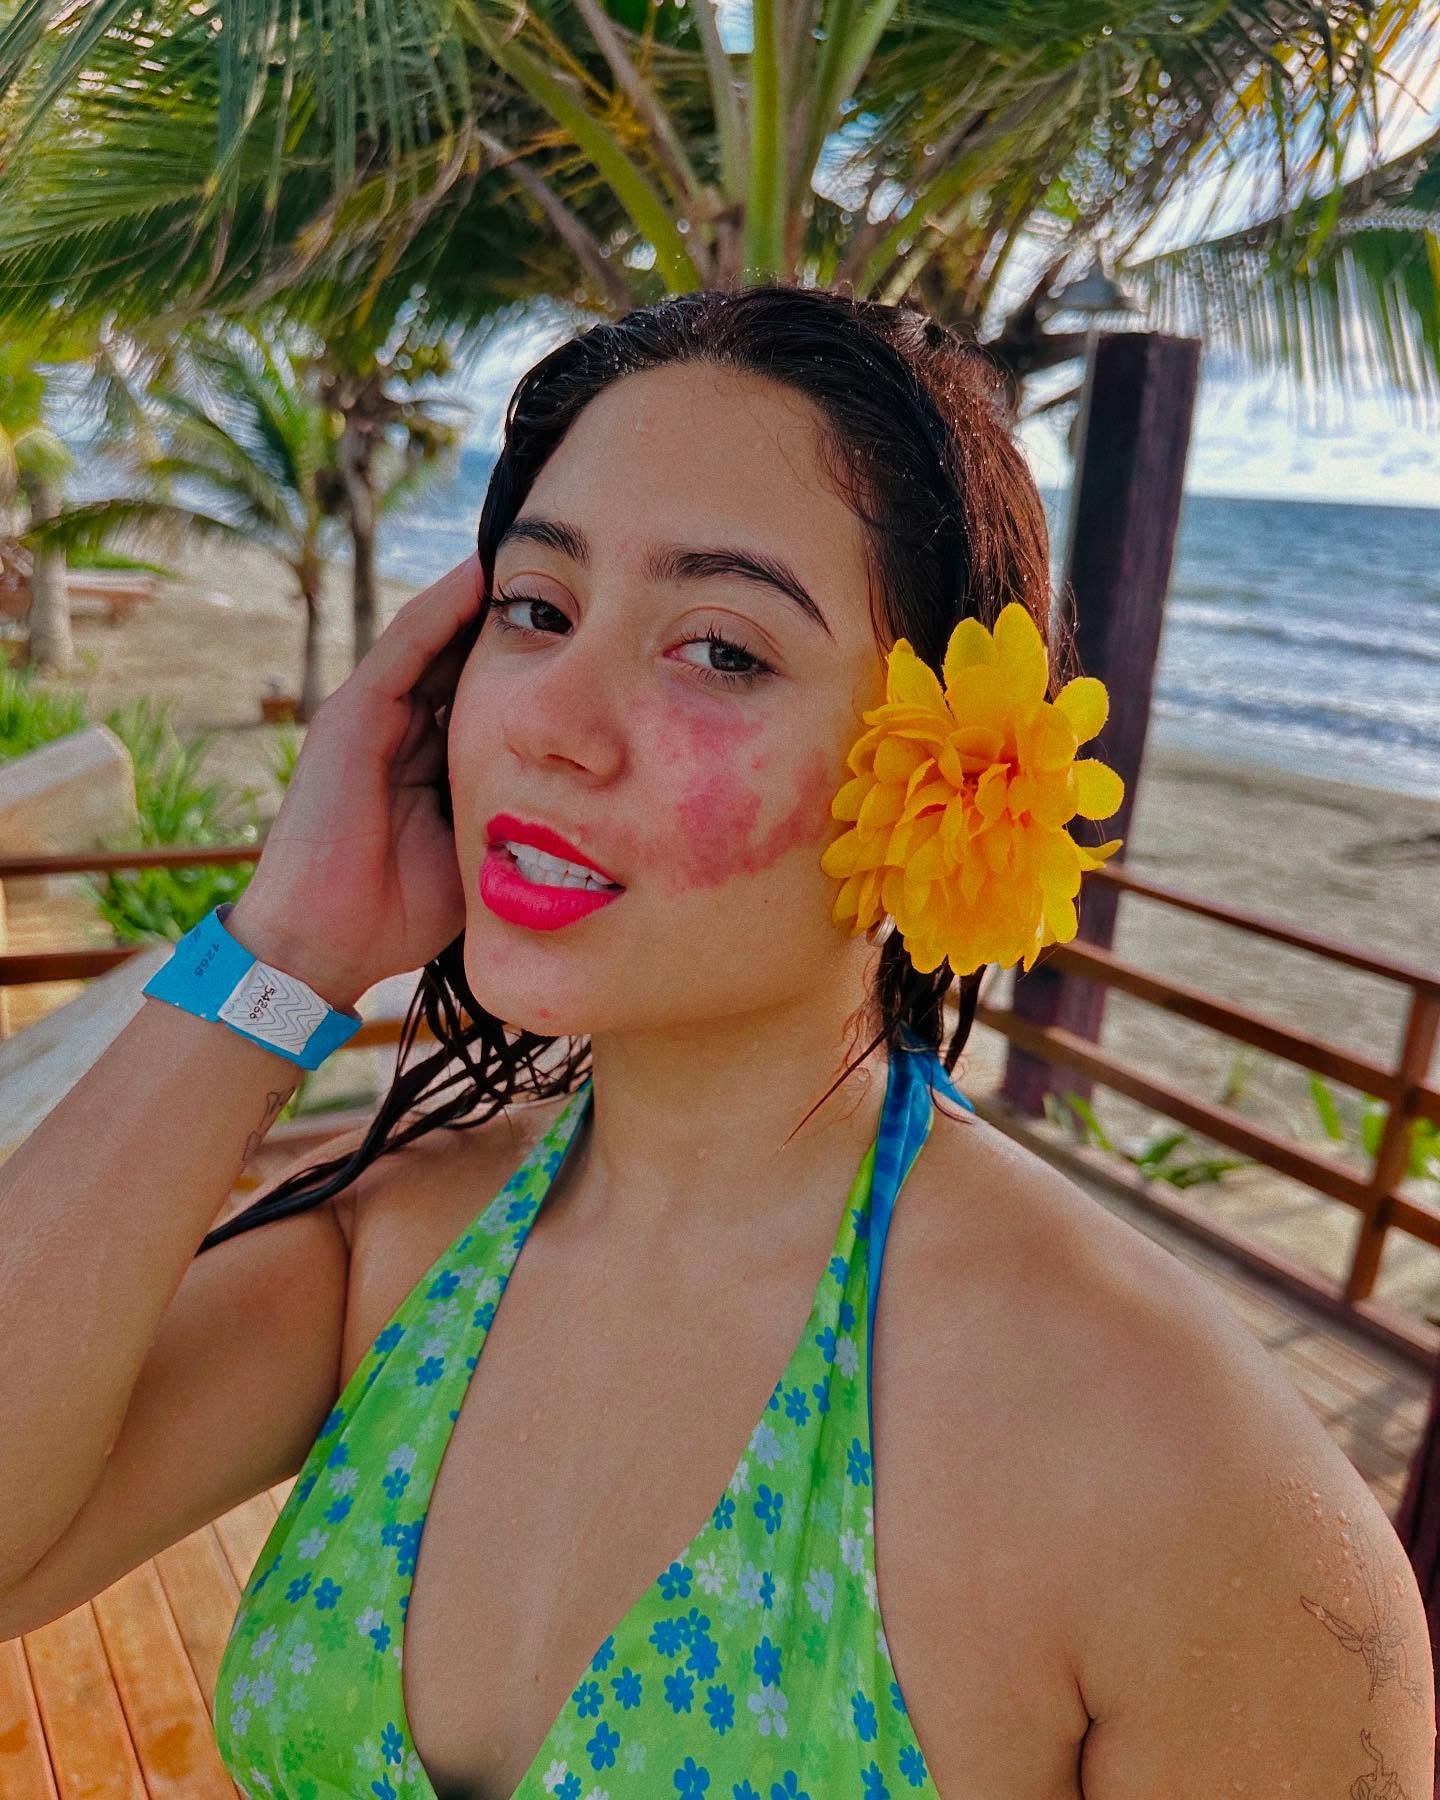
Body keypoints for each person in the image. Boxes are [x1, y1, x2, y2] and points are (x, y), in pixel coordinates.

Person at [0, 285, 1430, 1800]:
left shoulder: (1183, 1480)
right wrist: (287, 948)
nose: (549, 720)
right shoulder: (398, 1251)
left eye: (722, 650)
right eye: (535, 610)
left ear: (956, 772)